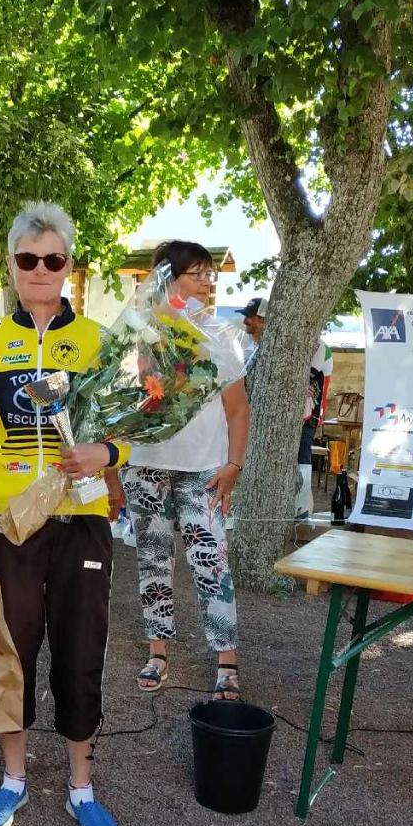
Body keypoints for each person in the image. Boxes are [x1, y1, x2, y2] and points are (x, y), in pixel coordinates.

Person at [0, 201, 129, 826]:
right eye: (28, 259)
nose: (40, 269)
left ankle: (82, 788)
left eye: (53, 259)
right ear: (12, 263)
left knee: (83, 652)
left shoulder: (96, 343)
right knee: (14, 653)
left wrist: (106, 453)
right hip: (15, 524)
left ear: (67, 266)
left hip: (82, 518)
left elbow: (130, 428)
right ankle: (14, 778)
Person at [123, 241, 250, 698]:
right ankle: (157, 654)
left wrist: (233, 464)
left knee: (211, 564)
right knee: (153, 563)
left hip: (204, 472)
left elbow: (238, 410)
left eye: (209, 274)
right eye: (196, 274)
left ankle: (227, 663)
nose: (206, 283)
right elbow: (118, 405)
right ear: (166, 278)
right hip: (146, 469)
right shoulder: (136, 335)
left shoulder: (223, 336)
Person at [240, 295, 331, 516]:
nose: (245, 323)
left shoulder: (309, 344)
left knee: (301, 453)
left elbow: (308, 381)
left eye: (249, 318)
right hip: (274, 413)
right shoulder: (257, 346)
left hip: (305, 414)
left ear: (263, 319)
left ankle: (301, 509)